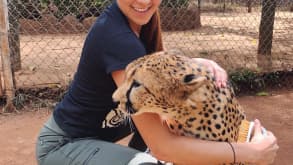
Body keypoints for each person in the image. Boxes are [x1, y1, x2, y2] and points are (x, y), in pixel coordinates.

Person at [36, 0, 279, 164]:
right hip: (63, 146)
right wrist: (248, 153)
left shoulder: (136, 21)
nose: (143, 1)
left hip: (100, 136)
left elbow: (154, 70)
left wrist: (195, 63)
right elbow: (163, 145)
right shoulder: (117, 37)